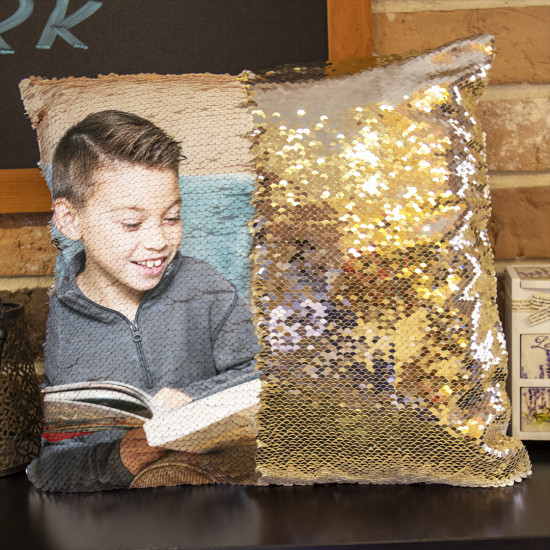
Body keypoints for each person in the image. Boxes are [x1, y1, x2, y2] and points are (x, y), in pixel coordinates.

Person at [26, 111, 260, 492]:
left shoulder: (206, 289)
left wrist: (192, 401)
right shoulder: (63, 327)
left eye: (172, 217)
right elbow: (53, 468)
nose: (158, 242)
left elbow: (264, 377)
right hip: (123, 512)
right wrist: (125, 455)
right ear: (69, 220)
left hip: (223, 498)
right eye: (131, 224)